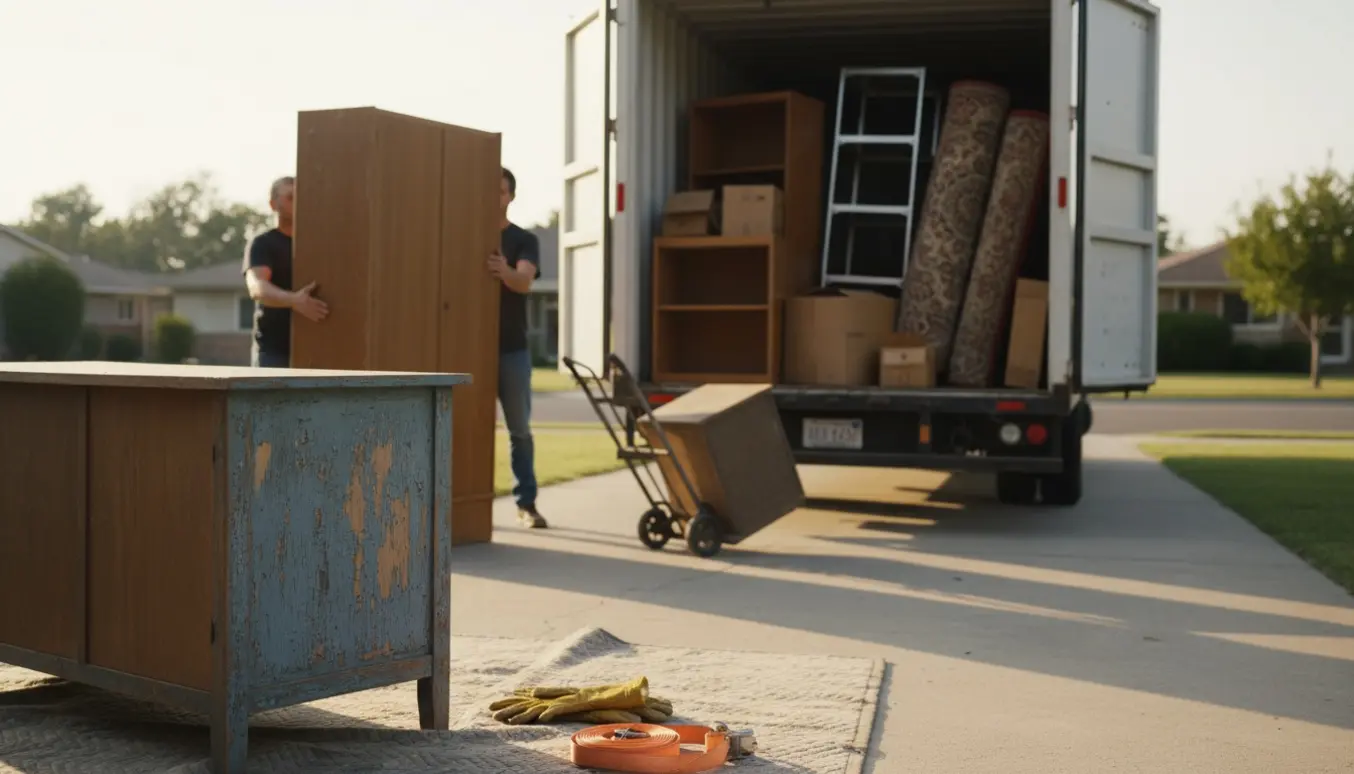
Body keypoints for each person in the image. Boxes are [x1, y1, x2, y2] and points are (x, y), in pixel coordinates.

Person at [489, 168, 547, 529]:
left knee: (519, 431)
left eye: (501, 191)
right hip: (471, 353)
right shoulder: (464, 237)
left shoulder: (524, 240)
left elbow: (524, 282)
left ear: (511, 197)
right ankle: (465, 507)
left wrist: (503, 271)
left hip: (512, 350)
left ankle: (526, 504)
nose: (495, 196)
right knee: (466, 428)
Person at [242, 176, 328, 367]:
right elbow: (257, 288)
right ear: (273, 205)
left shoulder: (320, 244)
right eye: (291, 197)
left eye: (302, 197)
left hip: (318, 349)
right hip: (274, 352)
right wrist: (294, 300)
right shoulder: (263, 244)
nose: (298, 203)